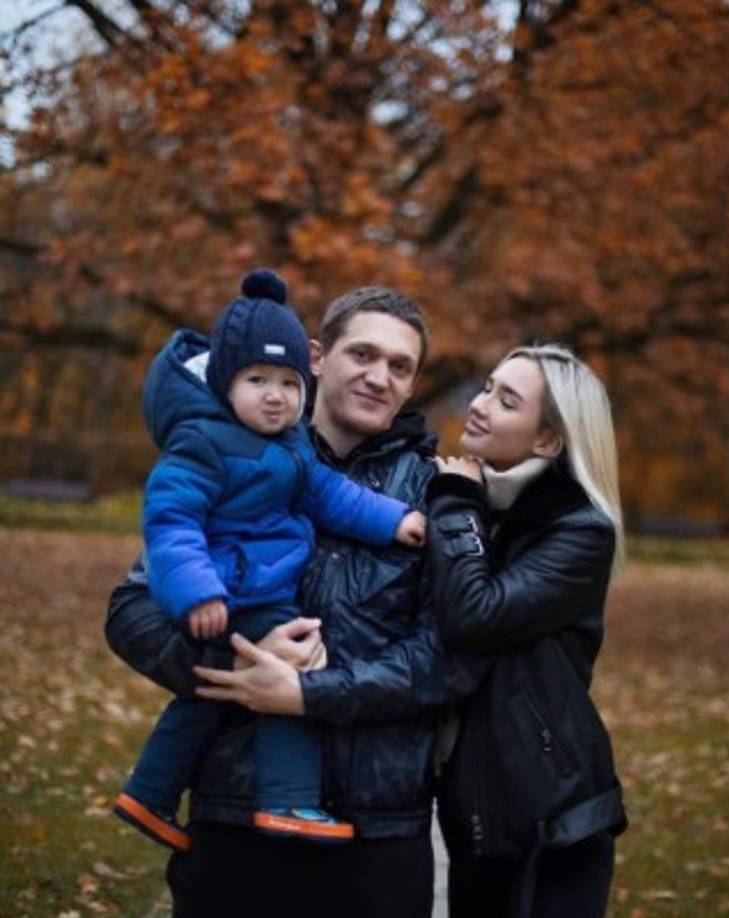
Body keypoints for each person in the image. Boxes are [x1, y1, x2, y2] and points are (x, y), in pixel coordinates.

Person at [105, 285, 474, 918]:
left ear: (412, 386)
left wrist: (308, 692)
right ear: (316, 357)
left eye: (400, 366)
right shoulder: (231, 452)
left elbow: (449, 658)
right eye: (362, 354)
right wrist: (235, 664)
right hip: (235, 807)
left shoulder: (436, 493)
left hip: (380, 828)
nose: (379, 376)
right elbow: (130, 611)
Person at [422, 344, 628, 917]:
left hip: (551, 818)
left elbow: (476, 615)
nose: (481, 405)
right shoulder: (490, 504)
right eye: (487, 387)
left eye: (506, 400)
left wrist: (457, 505)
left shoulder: (580, 530)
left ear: (547, 441)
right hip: (473, 804)